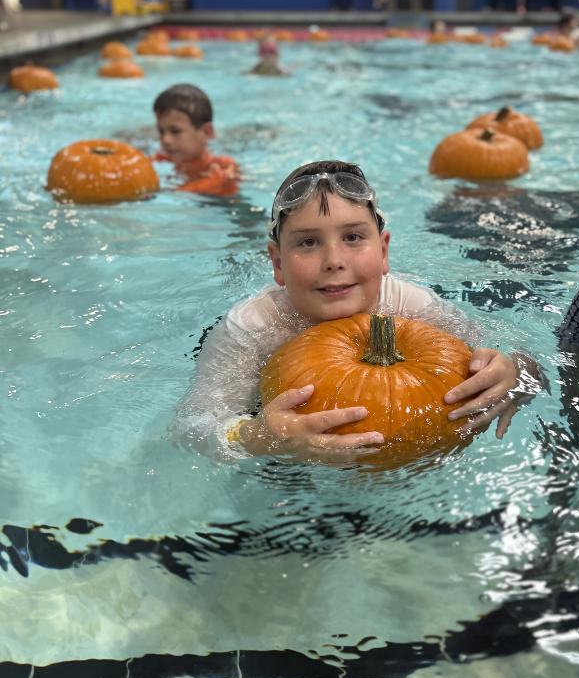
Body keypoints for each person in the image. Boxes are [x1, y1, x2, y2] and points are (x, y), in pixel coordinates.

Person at [174, 160, 543, 462]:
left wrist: (514, 377)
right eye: (308, 242)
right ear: (277, 263)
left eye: (352, 237)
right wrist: (258, 438)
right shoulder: (254, 328)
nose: (334, 261)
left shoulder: (410, 307)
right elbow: (191, 429)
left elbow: (523, 362)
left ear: (383, 251)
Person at [153, 84, 240, 197]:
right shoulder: (162, 160)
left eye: (175, 131)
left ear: (207, 132)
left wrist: (163, 193)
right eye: (161, 132)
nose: (165, 140)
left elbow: (208, 186)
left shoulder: (224, 166)